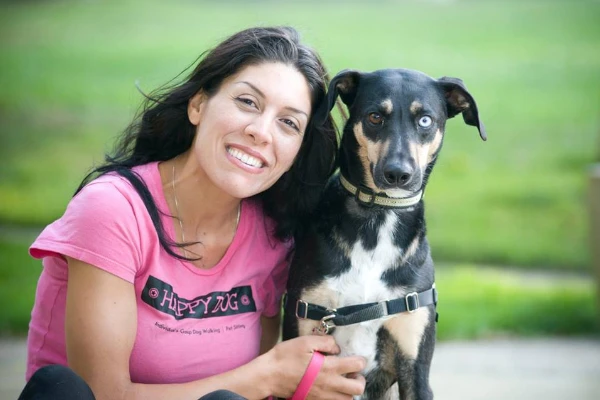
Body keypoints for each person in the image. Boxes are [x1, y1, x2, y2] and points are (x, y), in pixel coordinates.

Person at [18, 26, 366, 400]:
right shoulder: (113, 210)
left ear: (298, 151)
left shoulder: (273, 237)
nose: (261, 132)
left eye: (288, 123)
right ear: (198, 105)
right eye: (248, 102)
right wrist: (267, 377)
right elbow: (104, 393)